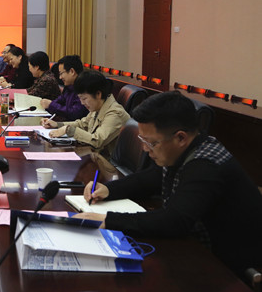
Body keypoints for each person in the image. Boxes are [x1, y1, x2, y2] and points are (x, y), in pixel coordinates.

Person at [75, 91, 262, 279]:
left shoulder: (205, 165)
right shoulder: (184, 150)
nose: (145, 149)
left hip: (228, 265)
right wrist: (109, 189)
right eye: (143, 140)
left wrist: (108, 221)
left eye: (151, 142)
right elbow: (150, 178)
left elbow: (174, 221)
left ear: (180, 138)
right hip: (197, 248)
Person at [41, 70, 128, 157]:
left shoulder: (115, 113)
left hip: (107, 162)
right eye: (80, 99)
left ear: (98, 94)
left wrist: (68, 130)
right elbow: (82, 124)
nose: (82, 103)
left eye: (84, 99)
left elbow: (97, 141)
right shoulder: (98, 106)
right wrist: (57, 124)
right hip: (95, 156)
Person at [40, 55, 88, 120]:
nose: (60, 77)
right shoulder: (69, 87)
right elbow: (59, 101)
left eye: (61, 73)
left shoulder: (84, 88)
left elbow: (75, 113)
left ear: (72, 71)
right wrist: (48, 104)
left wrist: (51, 105)